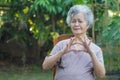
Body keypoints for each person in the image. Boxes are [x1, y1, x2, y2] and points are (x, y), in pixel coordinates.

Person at [42, 5, 106, 80]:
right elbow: (45, 66)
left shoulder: (96, 49)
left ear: (87, 24)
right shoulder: (62, 44)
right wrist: (62, 52)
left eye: (80, 21)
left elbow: (101, 75)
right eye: (73, 21)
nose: (76, 24)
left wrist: (91, 53)